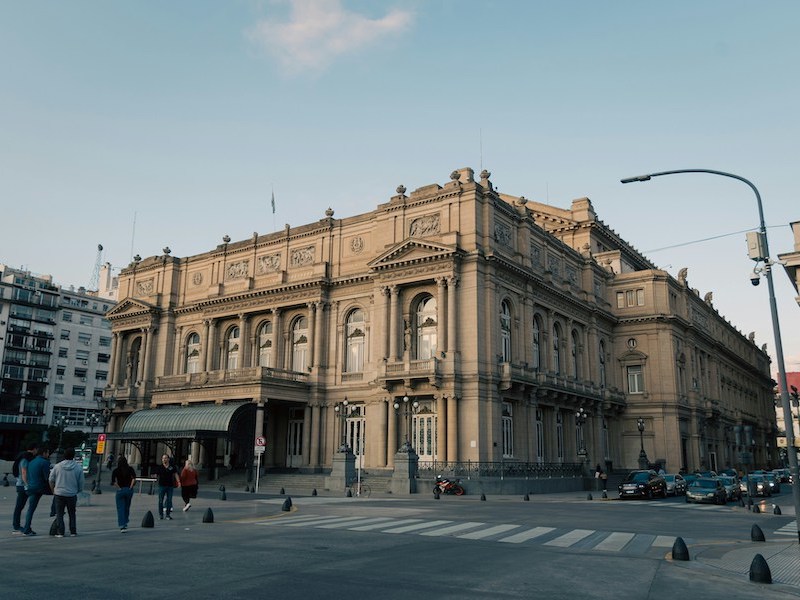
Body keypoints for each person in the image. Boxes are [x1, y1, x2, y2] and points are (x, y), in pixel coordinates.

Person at [49, 447, 85, 537]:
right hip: (72, 493)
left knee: (60, 513)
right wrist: (79, 490)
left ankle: (60, 531)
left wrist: (53, 490)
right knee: (72, 513)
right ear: (73, 456)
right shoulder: (78, 467)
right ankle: (73, 531)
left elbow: (51, 479)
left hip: (59, 493)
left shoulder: (57, 466)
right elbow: (81, 481)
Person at [22, 446, 51, 536]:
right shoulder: (45, 462)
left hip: (31, 487)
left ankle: (27, 528)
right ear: (44, 453)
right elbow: (48, 477)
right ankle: (54, 511)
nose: (48, 455)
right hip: (40, 487)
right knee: (59, 493)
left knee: (31, 509)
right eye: (48, 453)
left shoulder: (31, 462)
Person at [11, 442, 37, 534]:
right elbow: (24, 472)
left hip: (20, 484)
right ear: (34, 449)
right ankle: (16, 526)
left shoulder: (22, 456)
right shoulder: (25, 458)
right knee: (19, 506)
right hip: (23, 486)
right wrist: (27, 484)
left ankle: (17, 526)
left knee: (19, 506)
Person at [111, 456, 137, 532]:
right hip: (128, 490)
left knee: (120, 508)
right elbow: (134, 478)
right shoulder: (130, 469)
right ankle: (125, 522)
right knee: (127, 507)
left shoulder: (116, 470)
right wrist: (130, 487)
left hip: (121, 490)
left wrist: (118, 488)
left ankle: (122, 525)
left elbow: (113, 481)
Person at [153, 454, 180, 520]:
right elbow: (156, 475)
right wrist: (154, 477)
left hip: (170, 486)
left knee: (169, 500)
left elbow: (176, 474)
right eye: (163, 458)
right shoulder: (160, 467)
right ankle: (161, 514)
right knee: (160, 500)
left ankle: (168, 514)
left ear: (168, 459)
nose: (164, 459)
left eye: (165, 458)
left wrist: (178, 482)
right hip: (162, 485)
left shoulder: (172, 467)